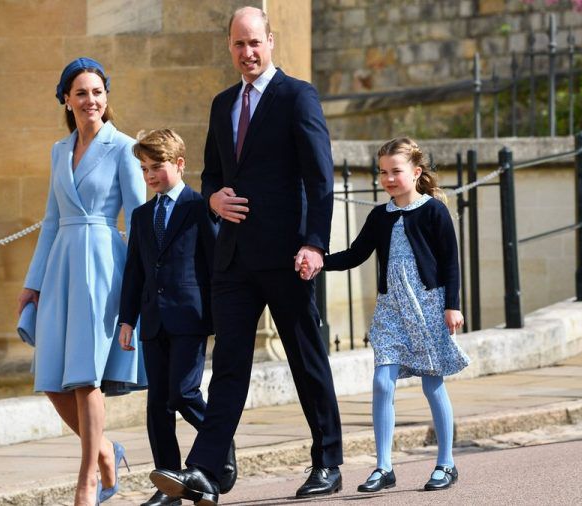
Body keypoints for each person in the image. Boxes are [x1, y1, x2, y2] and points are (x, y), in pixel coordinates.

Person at [150, 7, 343, 505]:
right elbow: (212, 175)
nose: (247, 53)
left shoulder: (297, 96)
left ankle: (328, 462)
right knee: (230, 366)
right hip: (233, 259)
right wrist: (212, 198)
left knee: (306, 359)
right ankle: (207, 472)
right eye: (238, 44)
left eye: (255, 42)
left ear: (271, 42)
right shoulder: (222, 104)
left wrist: (314, 244)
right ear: (230, 47)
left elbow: (321, 179)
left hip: (288, 255)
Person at [18, 57, 147, 506]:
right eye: (81, 93)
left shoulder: (124, 148)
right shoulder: (59, 151)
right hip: (60, 268)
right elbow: (51, 222)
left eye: (97, 92)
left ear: (106, 98)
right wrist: (32, 283)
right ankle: (107, 449)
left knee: (86, 377)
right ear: (67, 100)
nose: (90, 100)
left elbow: (138, 218)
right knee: (53, 379)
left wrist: (140, 282)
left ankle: (87, 479)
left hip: (103, 267)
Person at [314, 137, 470, 493]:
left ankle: (446, 463)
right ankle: (384, 466)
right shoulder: (379, 216)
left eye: (395, 171)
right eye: (382, 172)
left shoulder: (433, 210)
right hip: (390, 307)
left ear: (415, 173)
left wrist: (453, 305)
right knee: (382, 381)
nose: (388, 178)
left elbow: (450, 261)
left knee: (433, 383)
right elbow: (356, 254)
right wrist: (320, 260)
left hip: (428, 304)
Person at [117, 129, 235, 506]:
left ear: (180, 165)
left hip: (190, 316)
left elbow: (216, 264)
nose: (150, 175)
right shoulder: (140, 215)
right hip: (153, 321)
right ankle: (168, 483)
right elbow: (134, 271)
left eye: (158, 166)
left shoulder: (200, 207)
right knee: (157, 406)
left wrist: (224, 317)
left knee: (184, 394)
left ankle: (219, 444)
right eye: (144, 168)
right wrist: (127, 320)